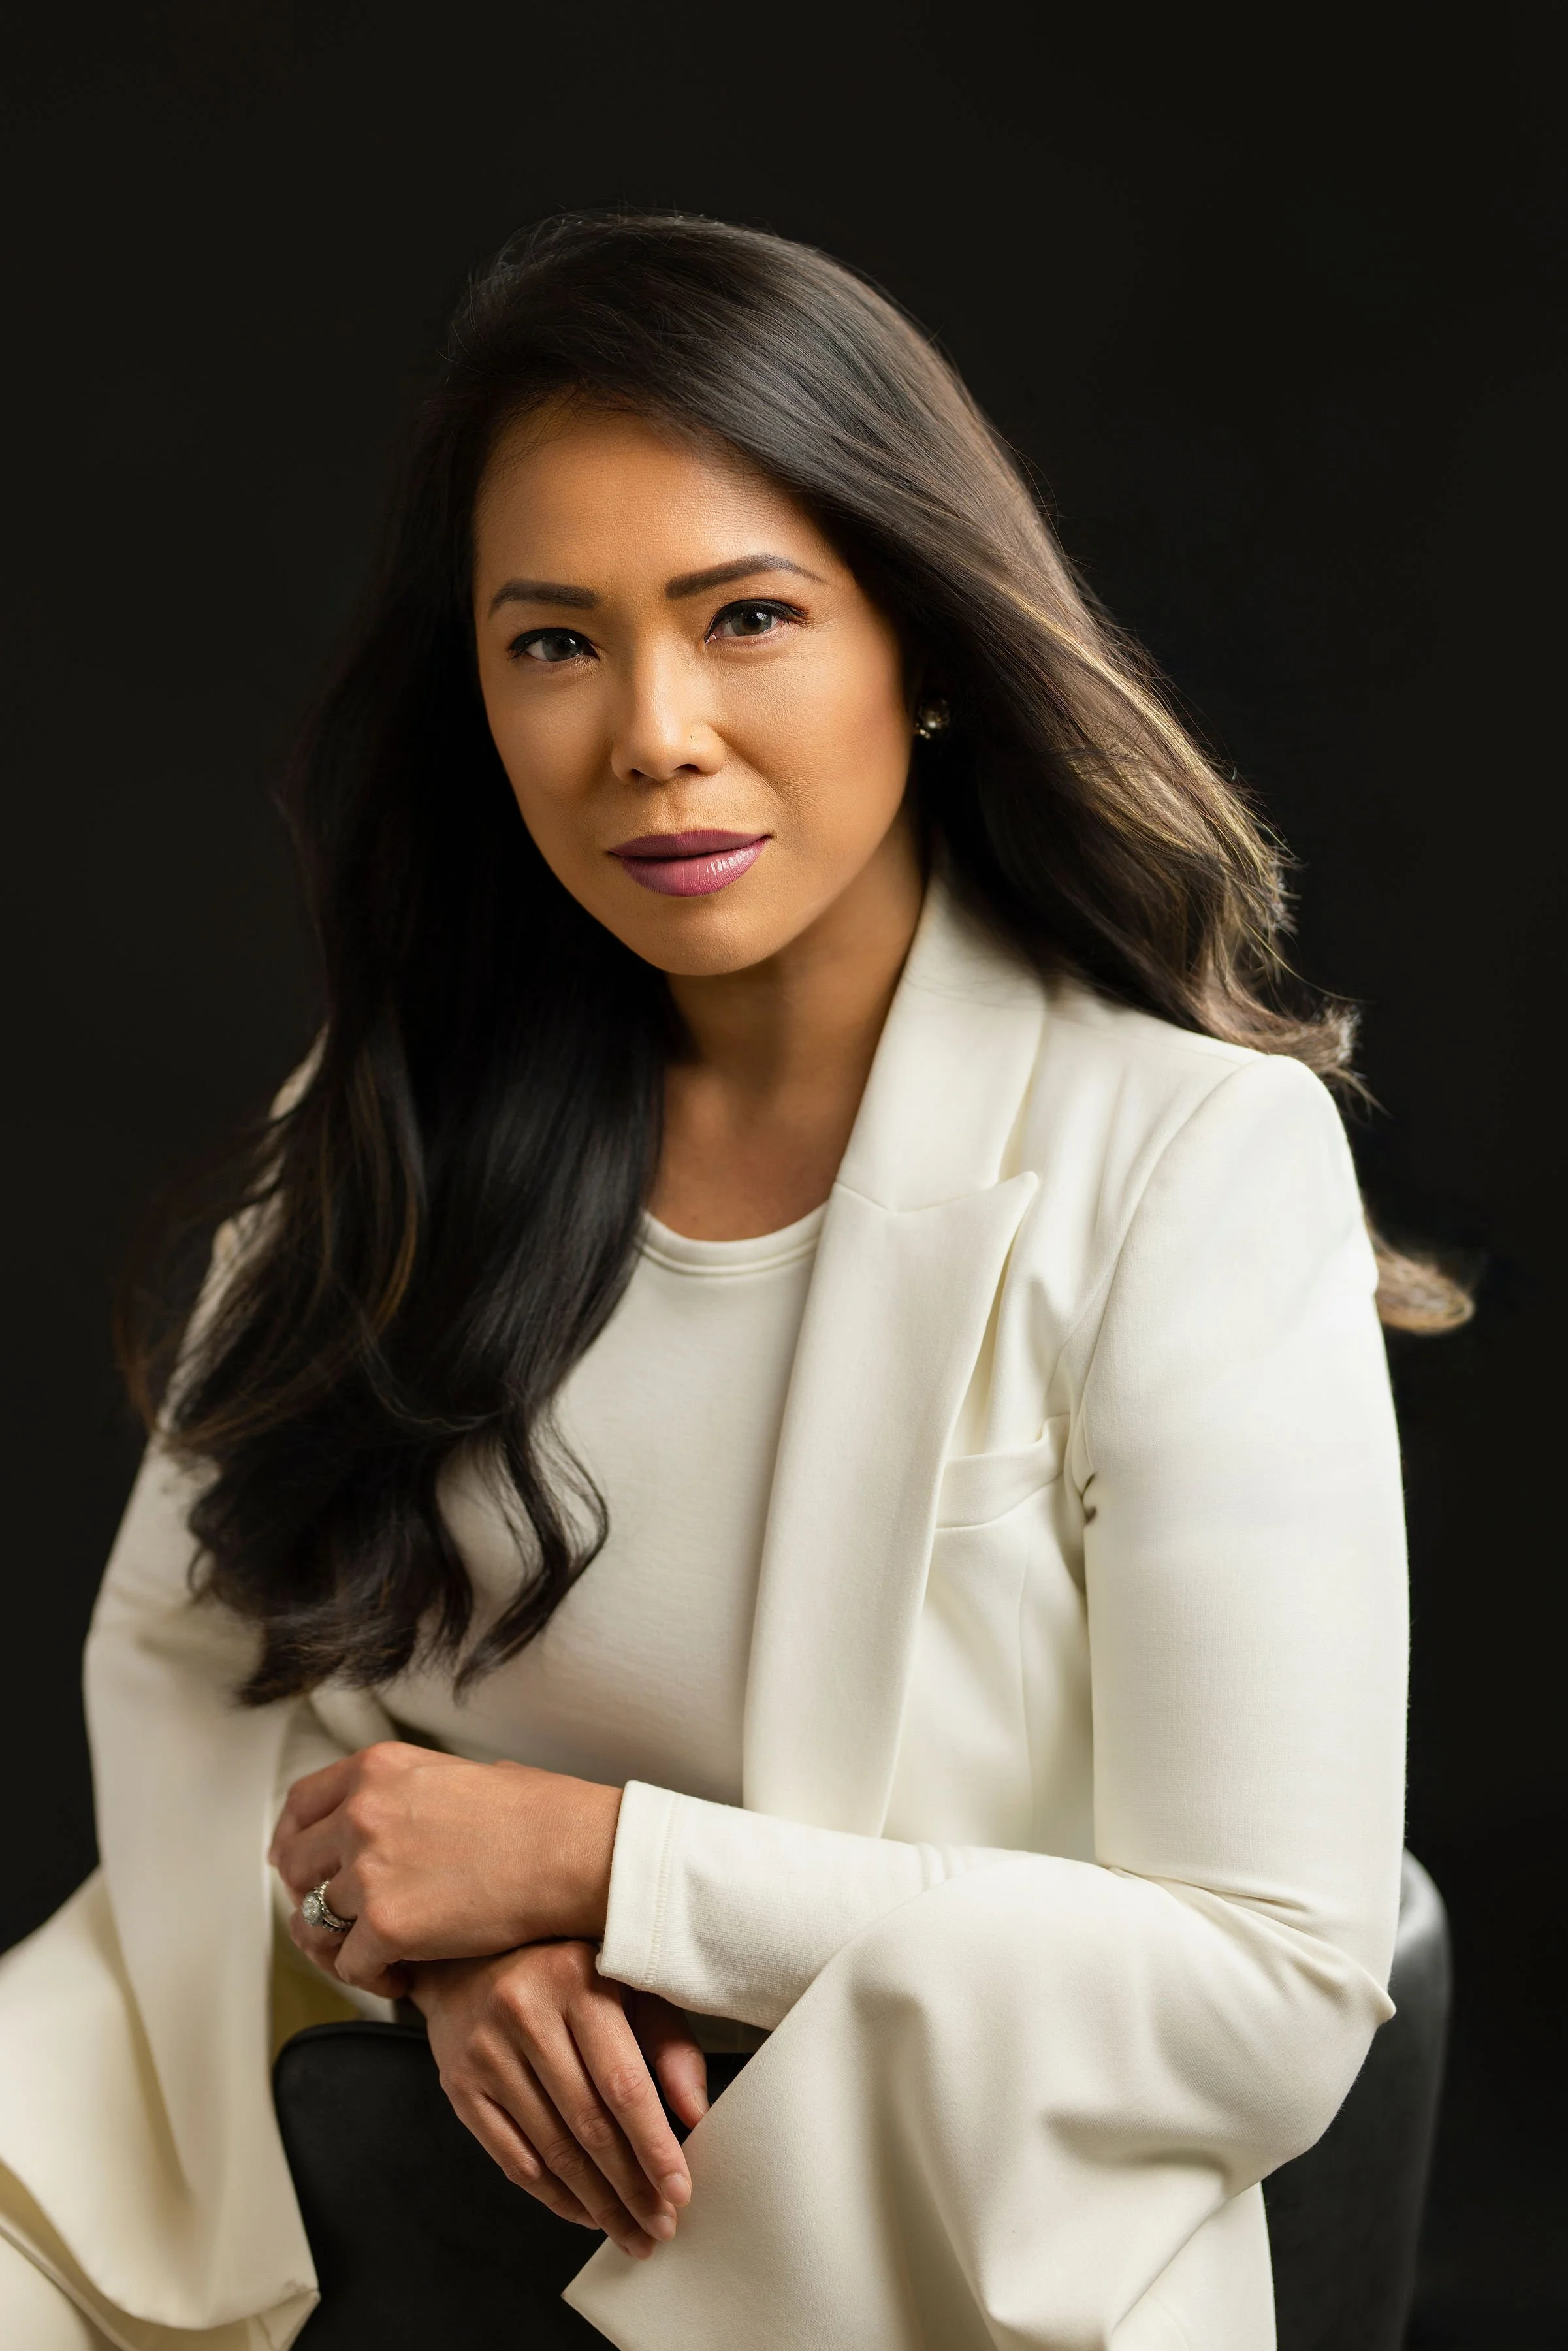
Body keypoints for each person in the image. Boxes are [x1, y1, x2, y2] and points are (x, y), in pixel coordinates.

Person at [0, 212, 1467, 2350]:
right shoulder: (396, 1120)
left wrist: (608, 1872)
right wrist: (438, 1937)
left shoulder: (1185, 1164)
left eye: (747, 616)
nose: (654, 735)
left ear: (932, 645)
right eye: (556, 641)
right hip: (363, 2206)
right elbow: (182, 1667)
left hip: (896, 2262)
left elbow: (1265, 1990)